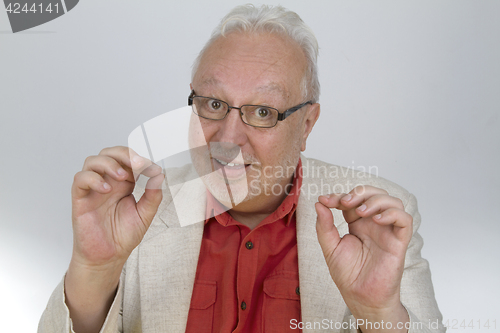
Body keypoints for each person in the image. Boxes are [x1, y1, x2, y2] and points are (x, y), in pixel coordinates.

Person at [39, 4, 445, 333]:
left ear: (306, 125)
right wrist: (94, 269)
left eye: (263, 111)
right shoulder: (136, 212)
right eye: (214, 104)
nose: (228, 138)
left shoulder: (376, 220)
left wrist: (377, 315)